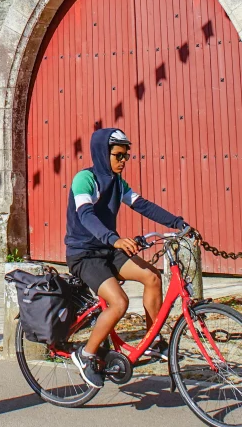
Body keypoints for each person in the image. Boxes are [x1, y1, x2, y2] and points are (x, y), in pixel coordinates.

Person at [65, 127, 187, 389]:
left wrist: (178, 223)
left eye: (126, 156)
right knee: (119, 303)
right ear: (102, 153)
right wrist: (114, 239)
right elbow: (86, 215)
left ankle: (153, 340)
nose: (123, 161)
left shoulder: (118, 184)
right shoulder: (84, 179)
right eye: (118, 155)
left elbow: (143, 205)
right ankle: (85, 355)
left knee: (152, 277)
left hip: (108, 250)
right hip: (84, 254)